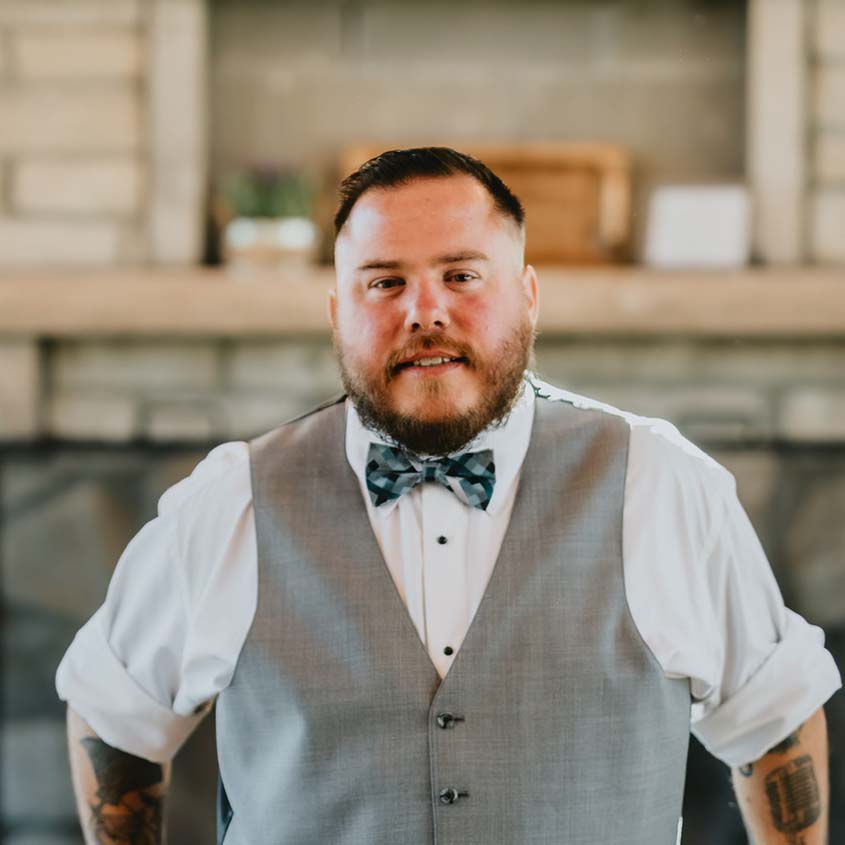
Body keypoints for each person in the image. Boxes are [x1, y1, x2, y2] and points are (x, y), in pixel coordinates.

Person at [58, 147, 840, 845]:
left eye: (462, 276)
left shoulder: (662, 483)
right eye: (384, 281)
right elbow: (114, 711)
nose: (424, 310)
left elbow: (775, 718)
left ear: (528, 296)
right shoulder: (232, 500)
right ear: (337, 315)